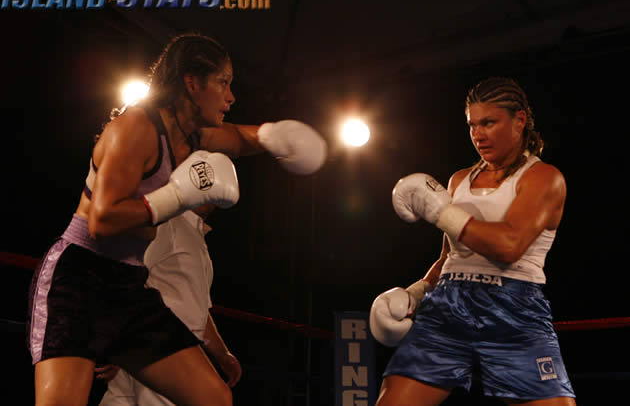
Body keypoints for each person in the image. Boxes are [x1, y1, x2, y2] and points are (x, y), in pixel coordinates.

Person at [27, 32, 326, 406]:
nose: (231, 97)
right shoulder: (136, 128)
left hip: (129, 285)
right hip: (78, 280)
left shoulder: (193, 136)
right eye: (223, 83)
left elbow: (239, 137)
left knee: (214, 398)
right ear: (192, 82)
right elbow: (102, 221)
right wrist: (177, 196)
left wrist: (274, 135)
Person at [370, 77, 576, 405]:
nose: (478, 134)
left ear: (519, 120)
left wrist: (442, 212)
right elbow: (448, 257)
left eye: (488, 123)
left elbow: (510, 245)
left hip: (512, 307)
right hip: (449, 305)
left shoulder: (543, 178)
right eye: (472, 125)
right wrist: (415, 293)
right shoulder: (459, 180)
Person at [97, 204, 242, 405]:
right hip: (161, 346)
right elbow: (124, 274)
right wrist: (114, 337)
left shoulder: (193, 233)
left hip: (152, 347)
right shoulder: (168, 224)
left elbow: (197, 308)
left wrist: (221, 353)